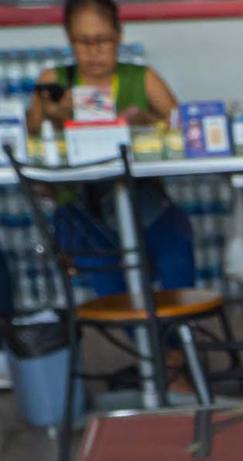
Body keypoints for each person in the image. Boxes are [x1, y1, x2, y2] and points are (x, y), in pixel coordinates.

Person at [27, 0, 195, 297]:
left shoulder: (142, 79)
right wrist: (53, 115)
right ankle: (156, 340)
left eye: (102, 40)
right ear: (69, 40)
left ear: (119, 36)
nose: (93, 51)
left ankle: (173, 334)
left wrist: (148, 122)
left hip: (142, 197)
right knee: (106, 276)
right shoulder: (54, 82)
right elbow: (30, 144)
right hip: (78, 205)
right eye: (83, 41)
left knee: (176, 250)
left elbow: (187, 131)